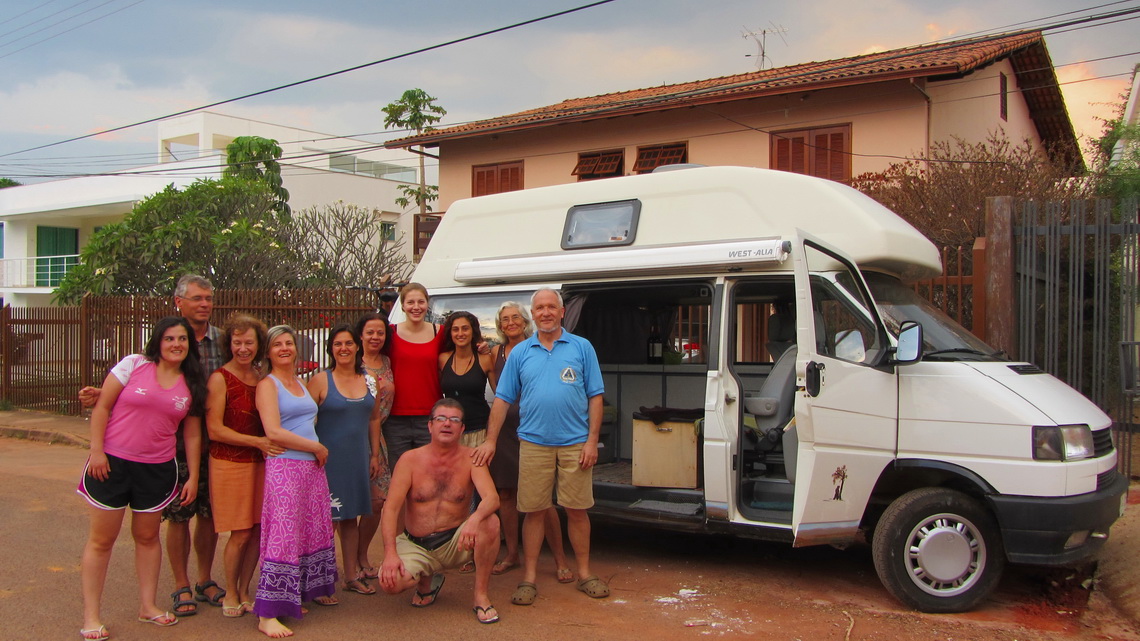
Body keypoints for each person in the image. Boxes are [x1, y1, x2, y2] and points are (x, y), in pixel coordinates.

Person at [78, 273, 227, 617]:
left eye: (182, 340)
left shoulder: (197, 374)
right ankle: (94, 615)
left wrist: (190, 475)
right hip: (116, 462)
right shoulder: (135, 364)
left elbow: (192, 429)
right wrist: (97, 450)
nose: (176, 343)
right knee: (105, 540)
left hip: (167, 464)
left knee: (157, 534)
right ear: (159, 340)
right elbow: (106, 404)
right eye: (170, 338)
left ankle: (154, 603)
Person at [473, 288, 609, 605]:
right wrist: (491, 440)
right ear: (533, 315)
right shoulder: (520, 353)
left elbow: (596, 396)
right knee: (533, 512)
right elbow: (502, 398)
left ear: (562, 312)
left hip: (576, 444)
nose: (546, 312)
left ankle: (585, 573)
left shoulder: (582, 347)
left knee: (577, 510)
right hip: (532, 443)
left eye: (551, 307)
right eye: (540, 308)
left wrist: (592, 441)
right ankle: (529, 578)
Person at [378, 399, 501, 624]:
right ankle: (426, 582)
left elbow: (492, 498)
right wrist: (389, 554)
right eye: (441, 419)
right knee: (390, 583)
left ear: (462, 428)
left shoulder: (473, 458)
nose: (447, 424)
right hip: (416, 543)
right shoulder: (409, 460)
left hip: (457, 541)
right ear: (430, 426)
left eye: (454, 420)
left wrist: (474, 520)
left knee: (490, 522)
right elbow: (391, 508)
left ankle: (480, 596)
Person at [253, 325, 337, 639]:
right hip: (285, 466)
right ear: (269, 352)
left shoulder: (301, 383)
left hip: (311, 470)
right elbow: (273, 431)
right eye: (278, 344)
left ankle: (294, 596)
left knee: (308, 530)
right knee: (284, 534)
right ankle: (267, 612)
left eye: (289, 343)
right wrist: (315, 446)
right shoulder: (268, 384)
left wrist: (314, 451)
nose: (285, 348)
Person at [486, 302, 573, 582]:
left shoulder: (536, 346)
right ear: (499, 326)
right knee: (507, 496)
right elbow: (496, 392)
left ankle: (560, 558)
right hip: (506, 432)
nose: (510, 323)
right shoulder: (493, 353)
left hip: (534, 431)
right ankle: (512, 554)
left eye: (515, 318)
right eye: (505, 320)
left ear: (526, 321)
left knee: (542, 500)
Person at [205, 314, 284, 618]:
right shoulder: (219, 378)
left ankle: (246, 589)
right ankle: (230, 591)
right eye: (237, 342)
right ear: (229, 343)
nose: (242, 348)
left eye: (248, 342)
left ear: (258, 344)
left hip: (262, 463)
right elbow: (215, 430)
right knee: (238, 532)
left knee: (256, 530)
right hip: (230, 463)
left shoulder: (264, 378)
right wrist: (258, 443)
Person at [308, 324, 388, 596]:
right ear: (331, 348)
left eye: (348, 343)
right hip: (326, 460)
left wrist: (374, 454)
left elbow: (374, 418)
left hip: (357, 458)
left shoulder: (369, 381)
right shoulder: (320, 380)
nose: (343, 348)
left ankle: (351, 576)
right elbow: (305, 420)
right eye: (338, 344)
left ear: (357, 347)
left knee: (350, 518)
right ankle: (318, 581)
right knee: (325, 521)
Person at [382, 282, 443, 467]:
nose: (416, 307)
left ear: (427, 304)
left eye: (421, 302)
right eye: (410, 302)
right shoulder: (390, 333)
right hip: (395, 418)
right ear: (402, 305)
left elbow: (461, 352)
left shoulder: (440, 332)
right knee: (399, 473)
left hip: (430, 417)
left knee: (428, 472)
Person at [354, 313, 395, 581]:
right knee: (341, 504)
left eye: (380, 332)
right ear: (361, 335)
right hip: (352, 435)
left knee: (378, 501)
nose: (375, 337)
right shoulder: (352, 362)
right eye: (370, 332)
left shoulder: (389, 362)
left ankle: (360, 555)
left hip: (377, 436)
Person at [438, 311, 494, 447]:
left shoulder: (485, 359)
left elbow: (499, 395)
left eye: (465, 328)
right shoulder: (443, 359)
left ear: (473, 331)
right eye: (455, 329)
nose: (460, 333)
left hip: (479, 430)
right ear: (450, 333)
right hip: (451, 430)